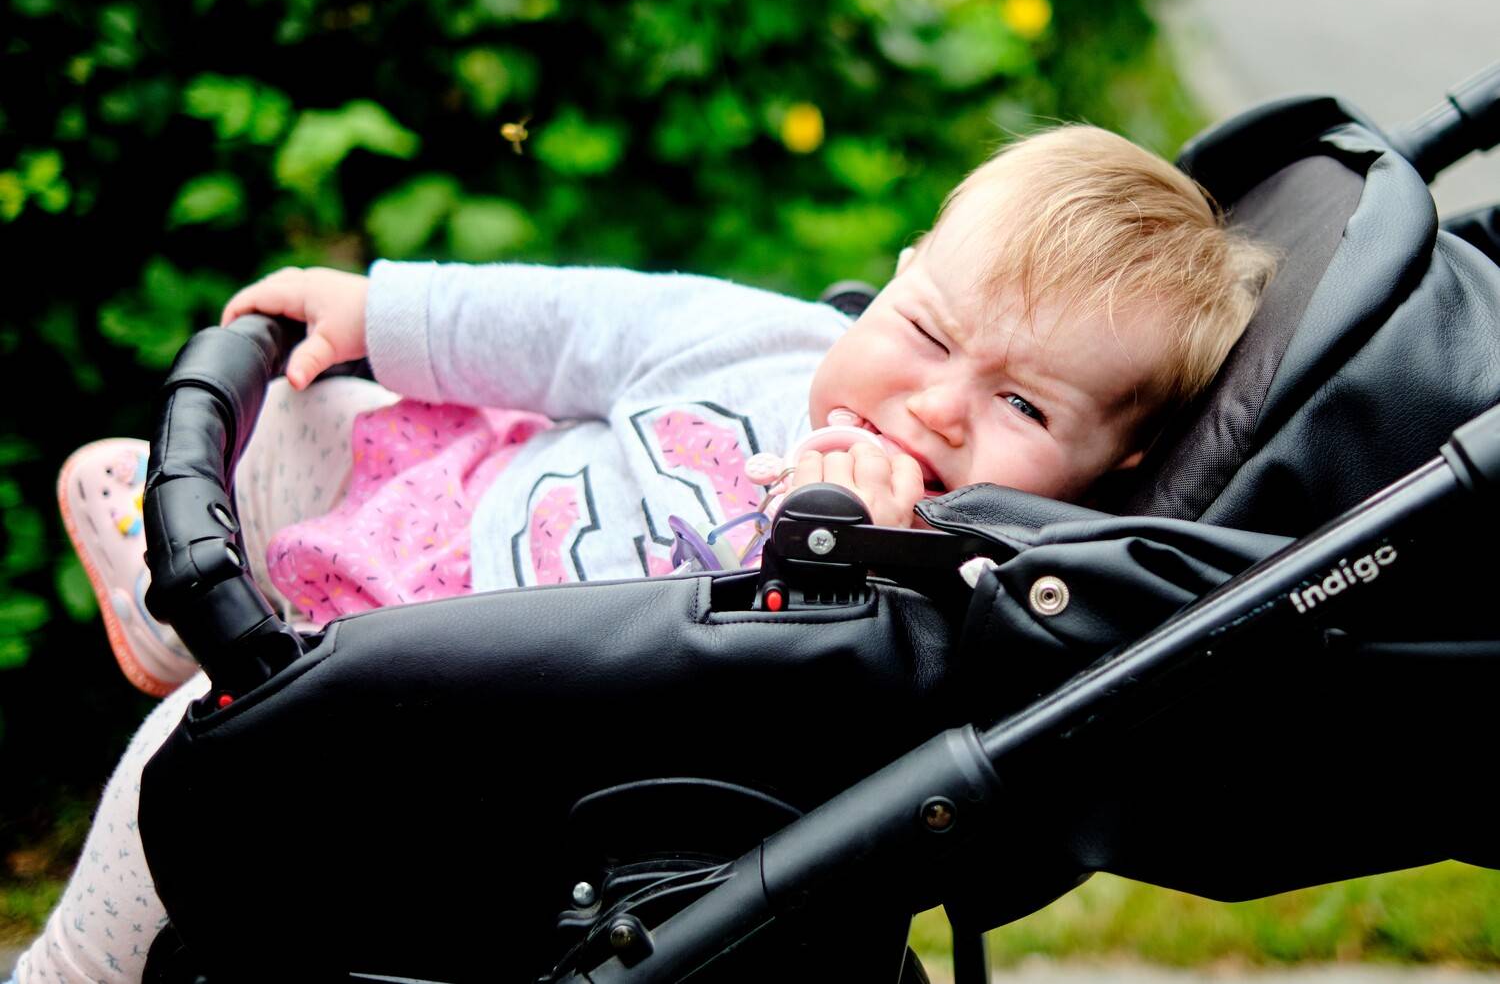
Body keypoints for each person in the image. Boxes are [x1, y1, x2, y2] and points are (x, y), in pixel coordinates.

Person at [18, 124, 1274, 983]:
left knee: (209, 736)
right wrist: (382, 312)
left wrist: (865, 554)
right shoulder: (763, 345)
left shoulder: (951, 579)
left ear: (1111, 468)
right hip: (450, 508)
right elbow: (584, 325)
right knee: (298, 412)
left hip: (461, 700)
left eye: (1025, 407)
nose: (938, 407)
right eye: (929, 333)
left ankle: (75, 961)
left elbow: (808, 706)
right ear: (896, 280)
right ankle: (183, 603)